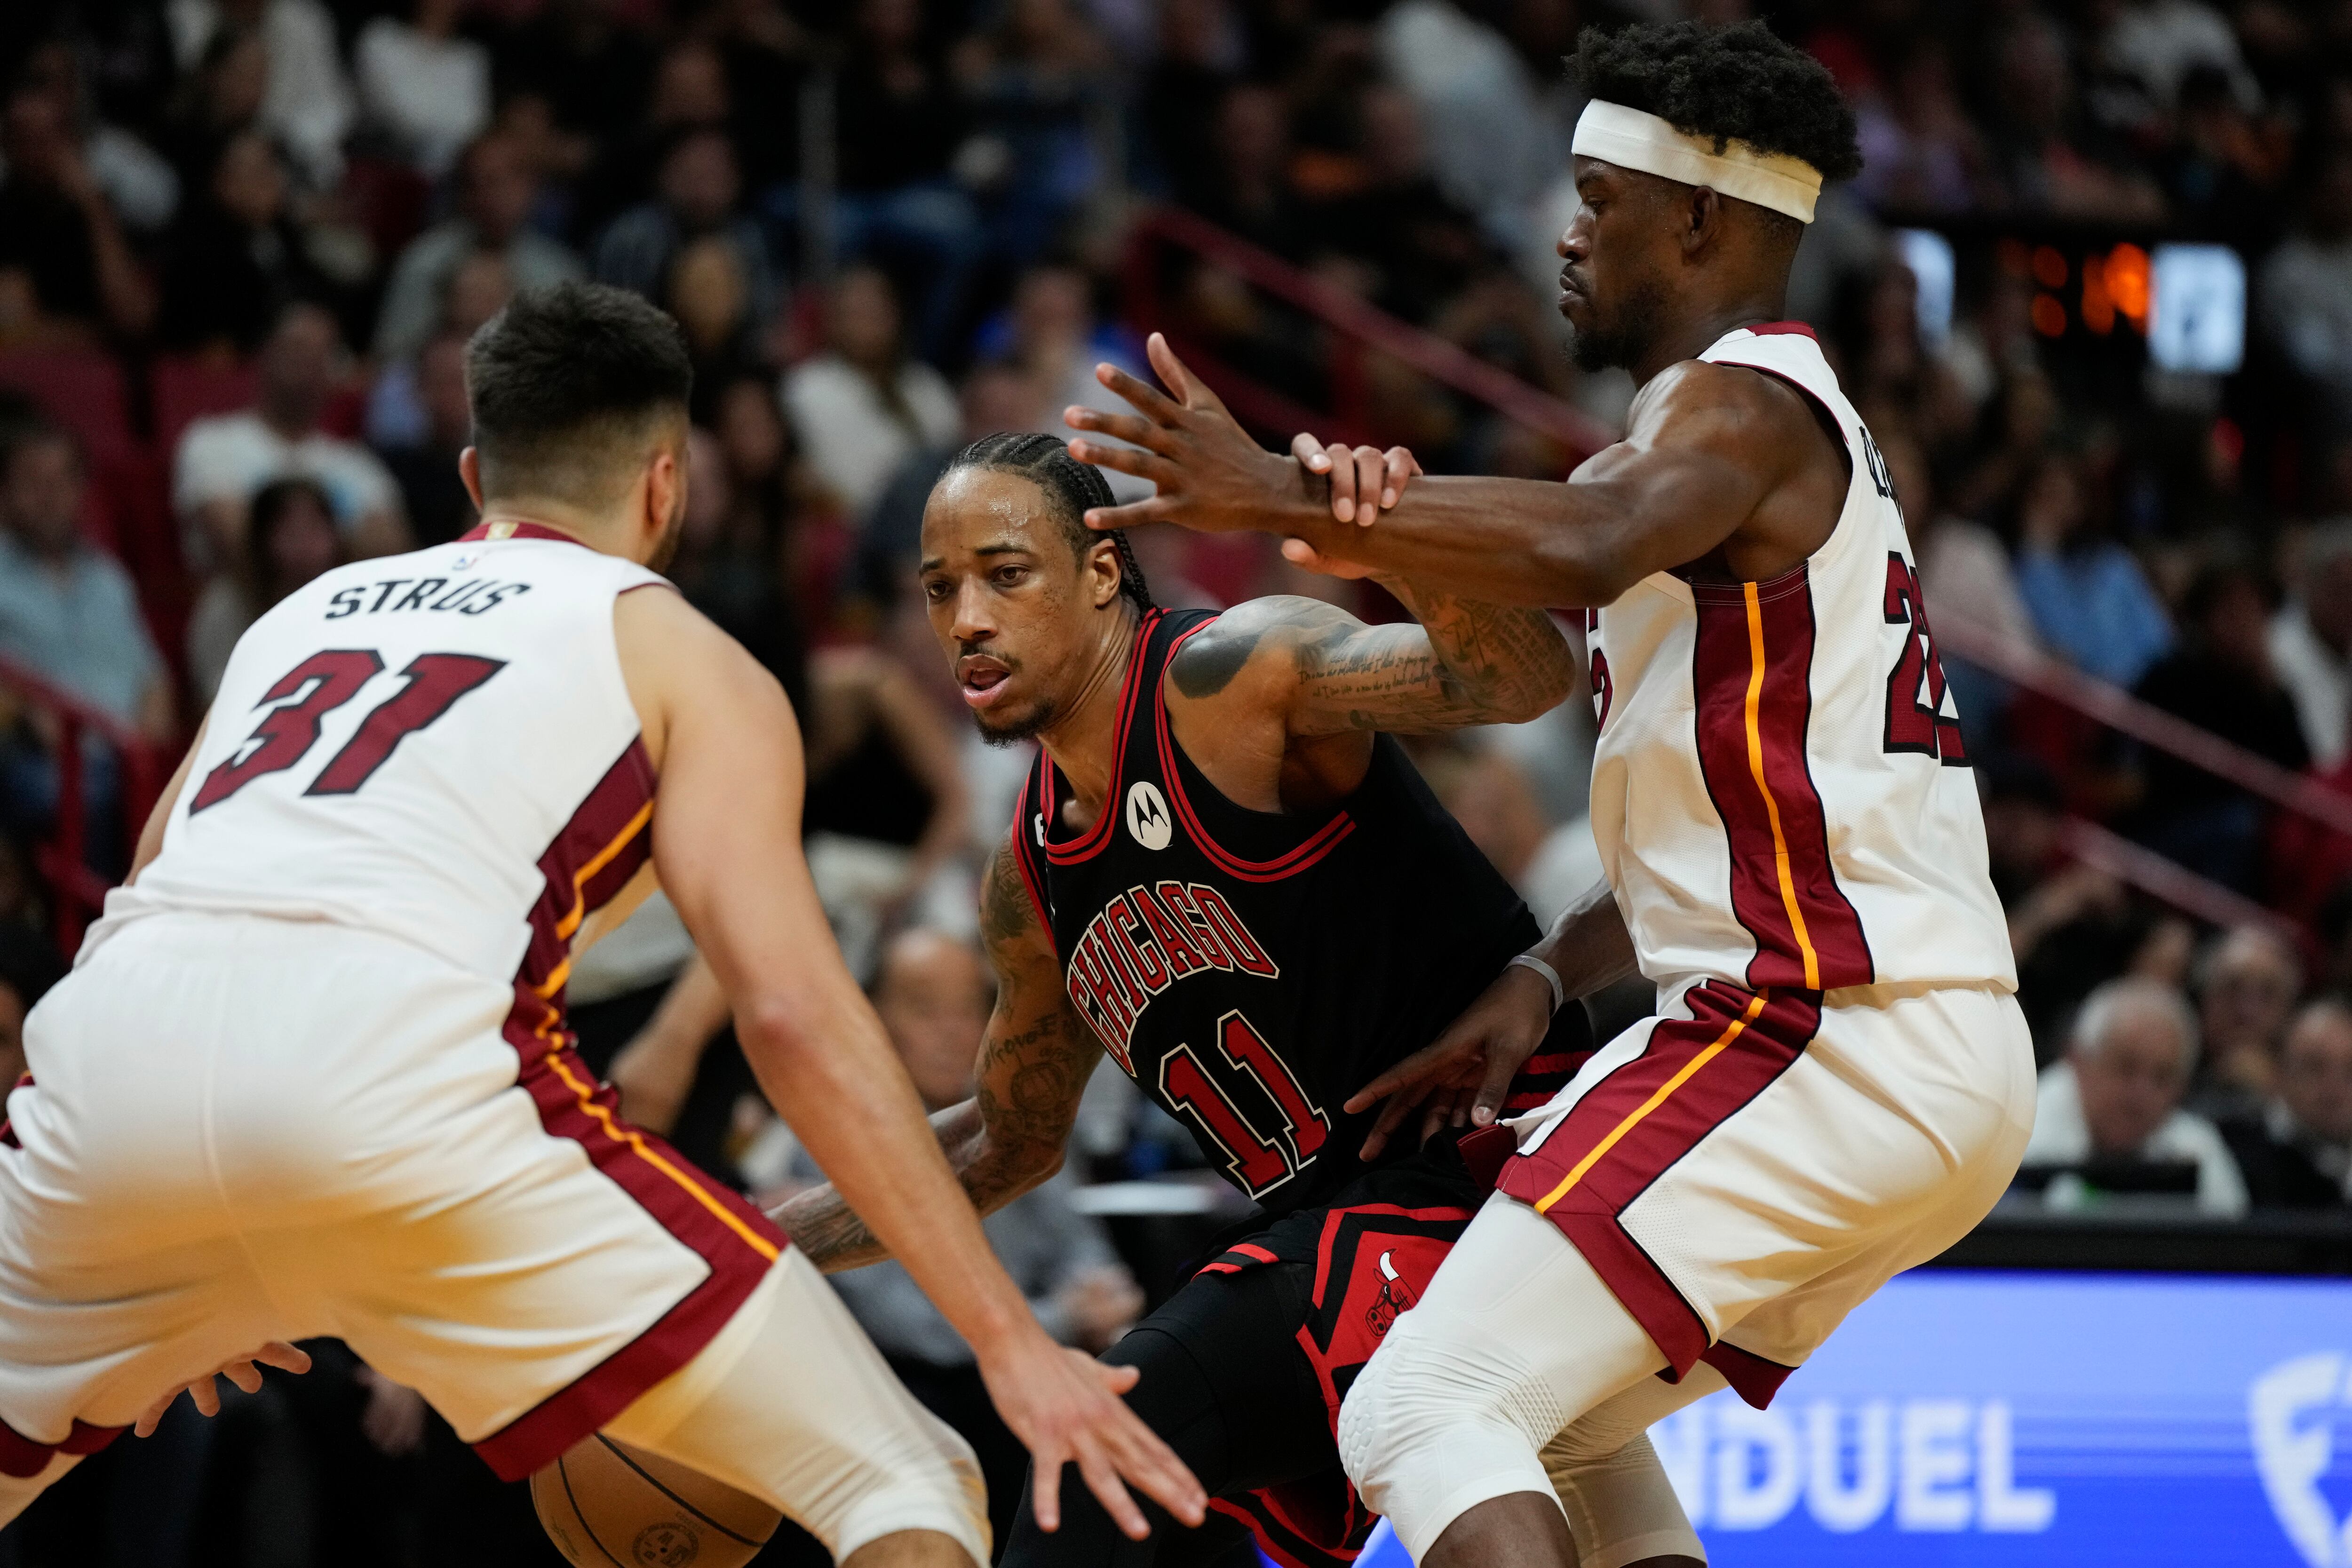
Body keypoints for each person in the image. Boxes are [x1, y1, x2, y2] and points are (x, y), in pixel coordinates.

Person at [0, 282, 1204, 1560]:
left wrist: (189, 1241)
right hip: (400, 1087)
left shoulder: (296, 618)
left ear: (475, 472)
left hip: (101, 1096)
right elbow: (791, 1010)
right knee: (907, 1481)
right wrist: (1011, 1341)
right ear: (668, 484)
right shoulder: (681, 651)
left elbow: (144, 888)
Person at [1062, 22, 2034, 1567]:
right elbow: (1694, 798)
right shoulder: (1716, 450)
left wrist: (1275, 493)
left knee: (1415, 1409)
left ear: (1701, 221)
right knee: (1555, 1428)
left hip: (1821, 1033)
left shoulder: (1740, 409)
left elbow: (1584, 552)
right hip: (1902, 1041)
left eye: (1597, 200)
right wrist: (1539, 973)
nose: (1563, 234)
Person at [774, 433, 1706, 1568]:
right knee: (1600, 1518)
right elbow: (1004, 1139)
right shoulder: (1025, 881)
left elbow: (1518, 680)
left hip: (1493, 1167)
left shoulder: (1233, 673)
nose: (966, 617)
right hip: (1348, 1225)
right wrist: (755, 1239)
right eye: (939, 589)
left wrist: (1386, 535)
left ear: (1102, 575)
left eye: (1004, 574)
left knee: (1108, 1453)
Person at [751, 927, 1144, 1551]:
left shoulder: (1019, 1113)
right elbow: (919, 1328)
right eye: (926, 1008)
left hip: (1029, 1370)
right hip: (917, 1398)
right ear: (874, 1016)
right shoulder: (830, 1134)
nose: (954, 1030)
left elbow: (1083, 1247)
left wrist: (1103, 1297)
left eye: (972, 1007)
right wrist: (1066, 1318)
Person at [172, 302, 409, 573]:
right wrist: (339, 540)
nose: (307, 364)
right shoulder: (213, 442)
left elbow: (392, 553)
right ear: (266, 353)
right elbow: (234, 538)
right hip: (242, 608)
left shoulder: (356, 465)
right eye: (297, 349)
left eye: (321, 355)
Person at [2019, 977, 2249, 1216]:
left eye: (2162, 1077)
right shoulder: (2019, 1133)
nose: (2141, 1095)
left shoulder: (2198, 1152)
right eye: (2126, 1068)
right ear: (2078, 1061)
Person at [2218, 996, 2352, 1209]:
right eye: (2315, 1067)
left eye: (2349, 1070)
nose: (2334, 1086)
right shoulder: (2233, 1151)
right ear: (2281, 1073)